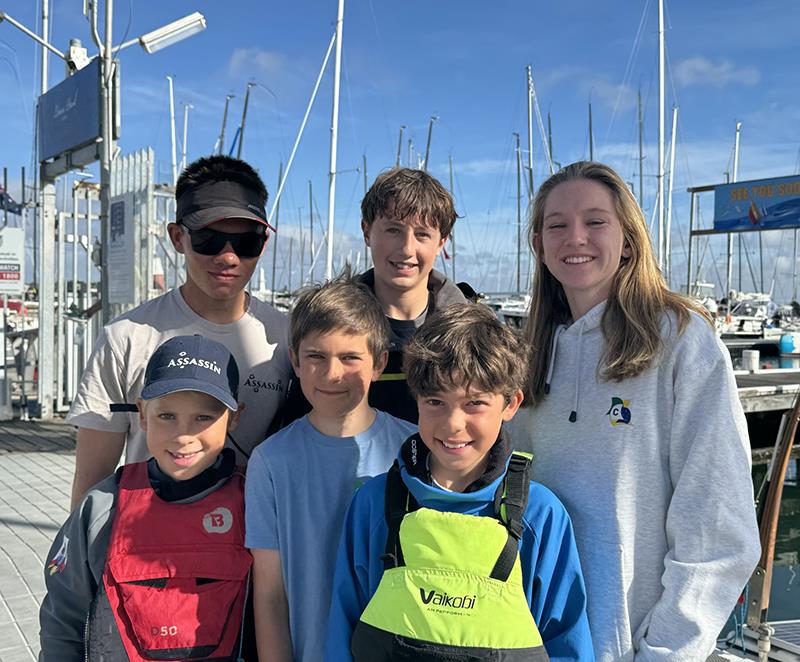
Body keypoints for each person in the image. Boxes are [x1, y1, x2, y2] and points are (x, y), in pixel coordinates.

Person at [507, 161, 761, 661]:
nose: (574, 236)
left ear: (628, 239)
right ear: (539, 244)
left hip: (632, 647)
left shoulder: (682, 340)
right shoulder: (526, 354)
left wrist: (666, 651)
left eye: (595, 221)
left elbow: (716, 527)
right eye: (556, 224)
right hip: (534, 641)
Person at [325, 304, 594, 661]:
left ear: (511, 404)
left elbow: (567, 641)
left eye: (474, 403)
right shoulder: (375, 503)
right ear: (416, 399)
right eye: (435, 401)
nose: (453, 423)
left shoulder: (540, 515)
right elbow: (342, 627)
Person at [66, 155, 294, 508]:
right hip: (147, 546)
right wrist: (80, 558)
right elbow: (92, 482)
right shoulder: (125, 338)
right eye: (209, 239)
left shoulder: (288, 337)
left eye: (246, 242)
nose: (228, 257)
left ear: (263, 244)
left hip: (255, 547)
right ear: (177, 237)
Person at [39, 335, 252, 661]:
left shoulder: (255, 503)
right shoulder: (101, 508)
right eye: (167, 416)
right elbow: (62, 619)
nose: (183, 437)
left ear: (234, 417)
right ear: (141, 413)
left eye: (203, 418)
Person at [245, 272, 417, 662]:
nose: (332, 373)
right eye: (316, 357)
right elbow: (270, 594)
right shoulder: (270, 461)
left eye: (350, 357)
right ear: (295, 360)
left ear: (379, 363)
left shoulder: (414, 450)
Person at [359, 167, 469, 423]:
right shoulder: (330, 326)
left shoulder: (470, 333)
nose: (407, 249)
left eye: (422, 234)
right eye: (393, 230)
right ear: (367, 232)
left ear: (441, 243)